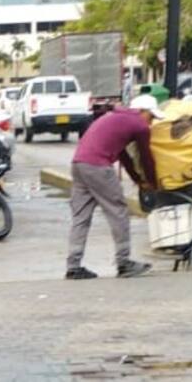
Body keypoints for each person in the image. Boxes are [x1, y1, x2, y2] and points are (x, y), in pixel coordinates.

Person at [66, 94, 164, 280]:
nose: (151, 122)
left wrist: (137, 180)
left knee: (81, 217)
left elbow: (123, 156)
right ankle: (124, 262)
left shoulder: (114, 118)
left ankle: (73, 266)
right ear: (143, 111)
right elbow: (146, 158)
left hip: (78, 164)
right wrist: (152, 183)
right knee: (118, 210)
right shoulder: (140, 125)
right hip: (97, 166)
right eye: (151, 116)